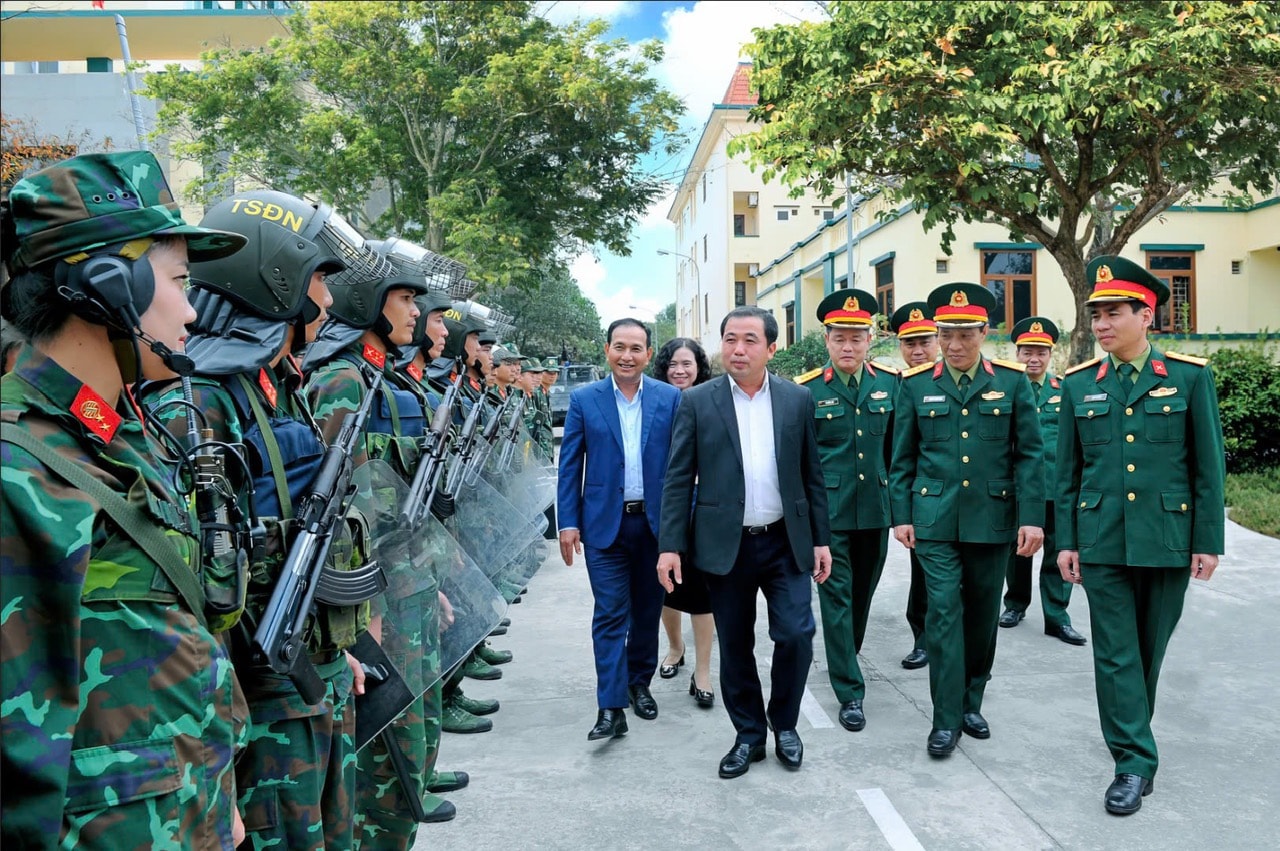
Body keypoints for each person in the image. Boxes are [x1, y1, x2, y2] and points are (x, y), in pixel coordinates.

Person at [1, 151, 248, 848]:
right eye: (178, 281)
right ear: (109, 285)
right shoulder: (18, 466)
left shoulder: (124, 440)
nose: (194, 310)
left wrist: (215, 792)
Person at [141, 189, 379, 851]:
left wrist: (338, 649)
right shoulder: (200, 403)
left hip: (312, 680)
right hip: (263, 703)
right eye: (316, 281)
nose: (327, 301)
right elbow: (192, 590)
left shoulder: (272, 386)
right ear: (272, 284)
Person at [1056, 256, 1224, 815]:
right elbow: (1067, 473)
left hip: (1167, 537)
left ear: (1145, 315)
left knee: (1148, 651)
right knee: (1115, 653)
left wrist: (1208, 540)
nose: (1101, 325)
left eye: (1112, 314)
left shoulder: (1189, 377)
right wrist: (1067, 541)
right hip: (1101, 538)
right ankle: (1131, 762)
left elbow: (1208, 468)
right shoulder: (1079, 386)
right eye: (1095, 315)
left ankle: (1133, 733)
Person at [303, 266, 459, 840]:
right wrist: (361, 606)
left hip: (405, 578)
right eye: (404, 299)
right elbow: (335, 506)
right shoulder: (344, 381)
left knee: (411, 722)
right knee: (387, 740)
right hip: (375, 591)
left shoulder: (378, 380)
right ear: (369, 301)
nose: (416, 313)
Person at [658, 306, 832, 779]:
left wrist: (821, 538)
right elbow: (677, 478)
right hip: (723, 545)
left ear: (771, 348)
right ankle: (749, 735)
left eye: (750, 340)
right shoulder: (698, 401)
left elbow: (811, 476)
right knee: (734, 644)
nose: (738, 348)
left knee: (796, 634)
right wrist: (670, 545)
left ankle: (786, 724)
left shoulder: (797, 399)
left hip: (784, 541)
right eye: (730, 338)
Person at [888, 283, 1044, 758]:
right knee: (942, 615)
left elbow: (1030, 456)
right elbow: (903, 459)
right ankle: (945, 718)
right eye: (946, 335)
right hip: (934, 520)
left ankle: (972, 700)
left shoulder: (1013, 383)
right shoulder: (916, 385)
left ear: (984, 332)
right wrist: (902, 514)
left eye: (965, 335)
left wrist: (1032, 518)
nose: (955, 345)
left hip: (992, 520)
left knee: (981, 617)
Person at [557, 318, 681, 742]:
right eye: (619, 347)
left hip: (655, 526)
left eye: (636, 348)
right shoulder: (584, 399)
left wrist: (681, 528)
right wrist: (568, 521)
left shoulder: (669, 399)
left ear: (649, 354)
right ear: (607, 350)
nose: (627, 356)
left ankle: (638, 683)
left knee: (648, 611)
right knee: (610, 613)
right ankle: (610, 706)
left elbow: (683, 468)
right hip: (603, 527)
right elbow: (570, 463)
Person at [796, 290, 898, 733]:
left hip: (875, 508)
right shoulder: (806, 391)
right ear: (827, 341)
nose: (848, 347)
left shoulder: (891, 385)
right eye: (840, 338)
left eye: (857, 338)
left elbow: (898, 452)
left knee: (861, 596)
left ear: (870, 339)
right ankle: (850, 691)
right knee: (836, 599)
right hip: (830, 514)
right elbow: (799, 461)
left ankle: (844, 654)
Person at [998, 317, 1086, 646]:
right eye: (1027, 352)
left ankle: (1057, 617)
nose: (1033, 358)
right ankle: (1015, 604)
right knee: (1017, 551)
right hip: (1017, 489)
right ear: (1016, 353)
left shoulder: (1063, 391)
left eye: (1041, 352)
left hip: (1055, 487)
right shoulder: (1002, 391)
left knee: (1058, 552)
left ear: (1051, 355)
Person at [652, 336, 716, 708]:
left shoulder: (712, 400)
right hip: (665, 503)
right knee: (668, 583)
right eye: (673, 364)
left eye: (687, 364)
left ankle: (704, 670)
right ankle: (675, 649)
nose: (679, 370)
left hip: (705, 504)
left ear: (699, 368)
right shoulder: (656, 401)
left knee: (703, 588)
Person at [889, 301, 939, 671]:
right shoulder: (894, 385)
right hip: (922, 499)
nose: (917, 351)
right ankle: (923, 638)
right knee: (922, 574)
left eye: (924, 341)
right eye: (909, 343)